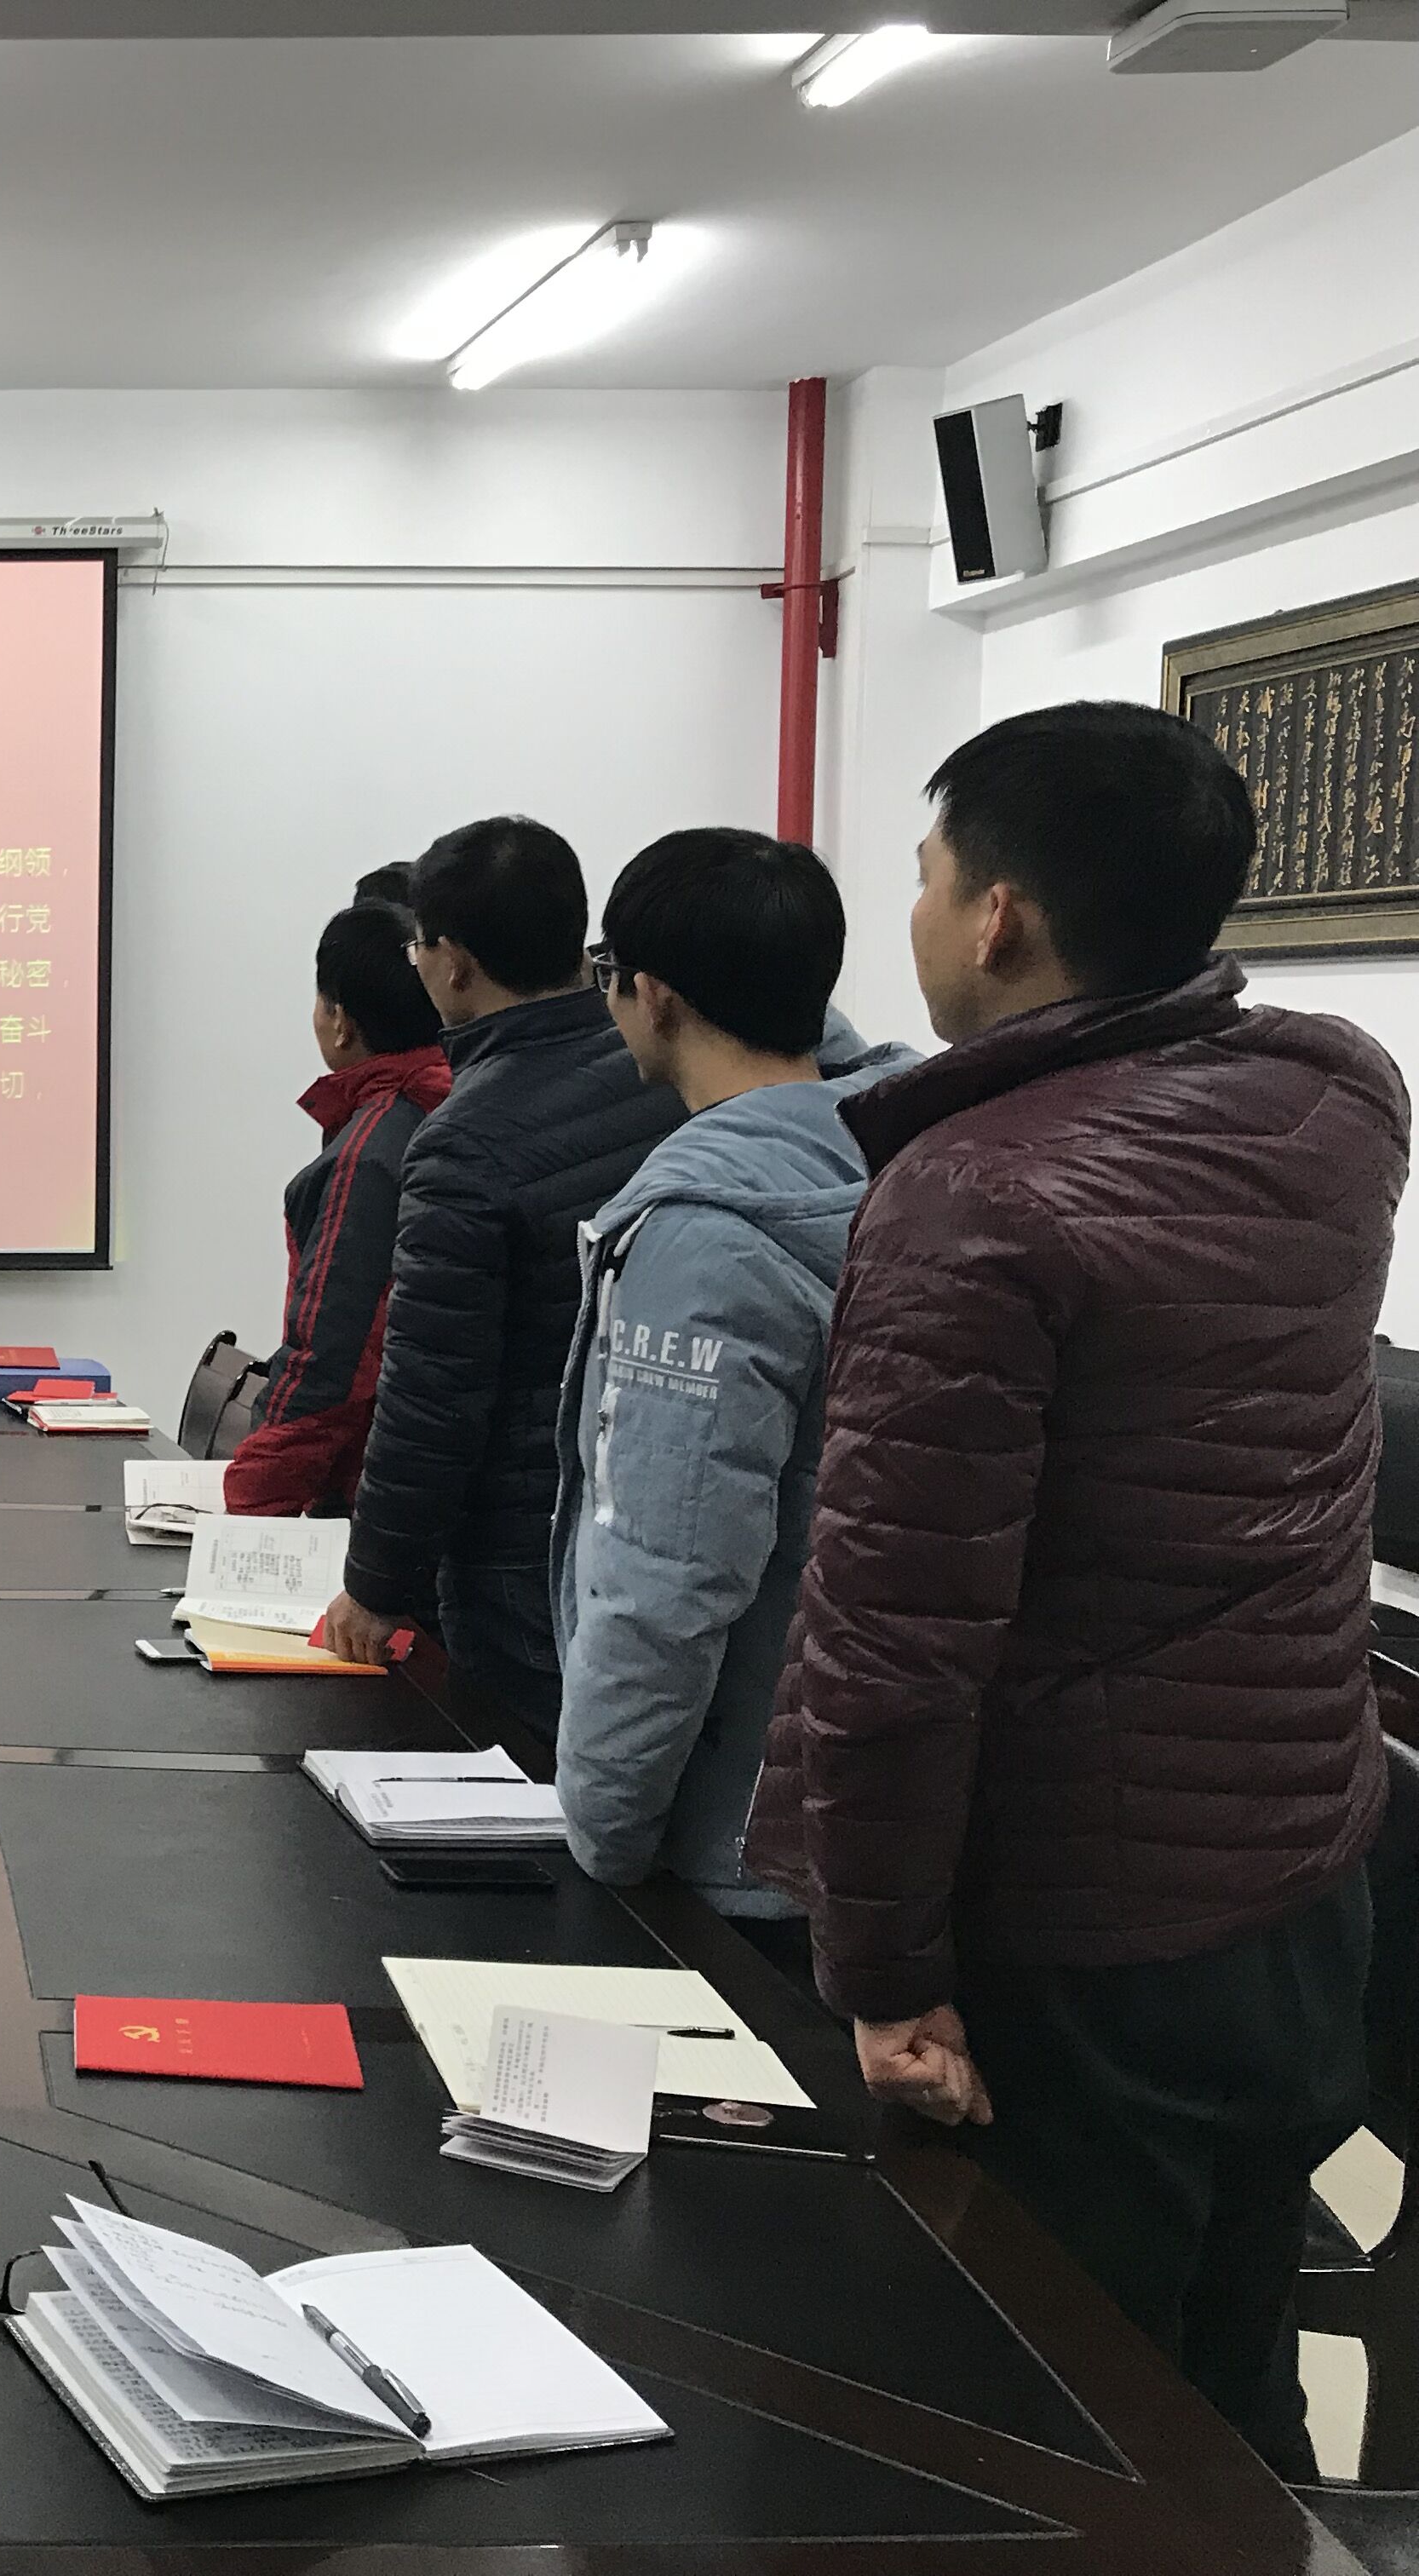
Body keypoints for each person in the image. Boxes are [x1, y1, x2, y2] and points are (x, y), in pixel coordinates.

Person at [746, 702, 1408, 2475]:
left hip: (1081, 1934)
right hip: (1299, 1877)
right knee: (1233, 2380)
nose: (913, 911)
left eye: (923, 874)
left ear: (997, 917)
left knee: (1053, 2431)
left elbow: (893, 1637)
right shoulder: (1339, 1101)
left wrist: (882, 1968)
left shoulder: (971, 1197)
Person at [548, 830, 913, 1946]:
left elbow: (667, 1579)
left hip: (730, 1841)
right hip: (865, 1802)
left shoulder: (706, 1235)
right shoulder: (901, 1152)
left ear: (651, 995)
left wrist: (603, 1828)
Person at [315, 819, 683, 1720]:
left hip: (519, 1562)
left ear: (453, 964)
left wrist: (374, 1585)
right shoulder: (658, 1076)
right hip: (647, 1525)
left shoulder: (465, 1142)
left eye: (419, 946)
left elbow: (433, 1392)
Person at [223, 900, 452, 1515]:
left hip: (369, 1496)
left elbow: (329, 1361)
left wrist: (251, 1509)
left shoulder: (369, 1154)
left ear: (341, 1022)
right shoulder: (452, 1106)